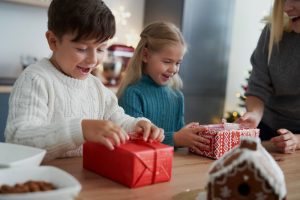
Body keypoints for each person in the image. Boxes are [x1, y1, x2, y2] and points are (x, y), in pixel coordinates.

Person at [4, 0, 164, 161]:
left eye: (101, 48)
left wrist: (137, 126)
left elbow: (118, 120)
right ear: (53, 41)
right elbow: (19, 140)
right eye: (81, 49)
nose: (93, 60)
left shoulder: (96, 87)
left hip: (87, 179)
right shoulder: (35, 79)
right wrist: (80, 129)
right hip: (43, 180)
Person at [117, 22, 210, 152]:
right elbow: (133, 140)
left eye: (178, 63)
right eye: (167, 61)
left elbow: (179, 138)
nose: (173, 69)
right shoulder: (132, 94)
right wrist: (176, 138)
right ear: (145, 55)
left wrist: (188, 135)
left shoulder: (177, 96)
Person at [238, 0, 300, 153]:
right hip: (268, 127)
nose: (286, 8)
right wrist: (254, 114)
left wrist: (297, 140)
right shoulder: (273, 30)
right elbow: (258, 85)